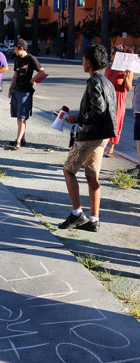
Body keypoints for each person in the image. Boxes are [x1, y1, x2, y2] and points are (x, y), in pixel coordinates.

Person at [58, 44, 116, 234]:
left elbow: (97, 112)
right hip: (103, 136)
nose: (82, 63)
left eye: (83, 60)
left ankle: (77, 213)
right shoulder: (107, 82)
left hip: (89, 136)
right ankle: (94, 219)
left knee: (68, 171)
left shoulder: (93, 82)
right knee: (92, 176)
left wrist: (75, 118)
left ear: (89, 63)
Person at [7, 38, 46, 150]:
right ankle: (22, 138)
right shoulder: (17, 59)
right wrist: (10, 89)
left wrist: (33, 80)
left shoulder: (31, 59)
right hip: (16, 90)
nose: (14, 50)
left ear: (21, 48)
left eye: (15, 48)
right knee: (18, 116)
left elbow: (42, 71)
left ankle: (18, 142)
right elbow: (15, 76)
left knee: (22, 117)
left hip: (25, 92)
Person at [104, 46, 134, 157]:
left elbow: (129, 88)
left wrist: (126, 77)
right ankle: (102, 143)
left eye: (113, 53)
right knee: (104, 119)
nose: (111, 55)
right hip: (107, 95)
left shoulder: (127, 70)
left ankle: (111, 147)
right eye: (112, 53)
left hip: (119, 97)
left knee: (115, 121)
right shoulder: (109, 66)